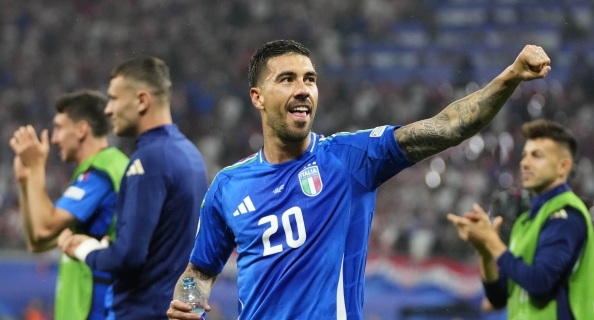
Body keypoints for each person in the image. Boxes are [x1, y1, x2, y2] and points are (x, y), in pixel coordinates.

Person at [167, 39, 551, 320]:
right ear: (257, 97)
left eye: (310, 79)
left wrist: (511, 76)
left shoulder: (348, 159)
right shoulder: (229, 185)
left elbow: (446, 128)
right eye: (287, 79)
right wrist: (189, 304)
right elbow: (200, 271)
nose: (303, 89)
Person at [59, 56, 209, 319]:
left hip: (143, 310)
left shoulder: (149, 160)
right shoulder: (190, 155)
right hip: (175, 309)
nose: (108, 109)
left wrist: (82, 248)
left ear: (141, 100)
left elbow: (128, 256)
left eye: (114, 98)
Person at [447, 119, 594, 320]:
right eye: (524, 155)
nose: (524, 163)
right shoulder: (526, 222)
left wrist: (492, 242)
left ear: (563, 167)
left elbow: (540, 283)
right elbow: (498, 297)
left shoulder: (566, 214)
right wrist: (484, 252)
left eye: (536, 155)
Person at [9, 91, 129, 320]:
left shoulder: (102, 173)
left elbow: (44, 228)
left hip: (96, 310)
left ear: (81, 129)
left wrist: (36, 170)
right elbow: (38, 241)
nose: (54, 139)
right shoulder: (96, 170)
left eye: (59, 128)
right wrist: (26, 181)